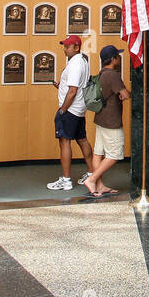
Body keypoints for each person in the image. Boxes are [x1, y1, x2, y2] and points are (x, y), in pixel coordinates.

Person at [48, 35, 94, 190]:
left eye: (68, 46)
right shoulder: (82, 61)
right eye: (64, 46)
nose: (64, 49)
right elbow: (74, 86)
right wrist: (61, 87)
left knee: (64, 142)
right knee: (82, 139)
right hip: (79, 109)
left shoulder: (75, 65)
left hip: (70, 109)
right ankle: (91, 173)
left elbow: (73, 91)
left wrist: (62, 110)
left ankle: (66, 180)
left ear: (76, 47)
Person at [87, 45, 130, 198]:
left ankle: (99, 186)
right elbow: (125, 94)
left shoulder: (102, 74)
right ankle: (91, 180)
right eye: (117, 56)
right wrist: (126, 93)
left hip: (100, 118)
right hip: (111, 121)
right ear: (112, 59)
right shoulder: (112, 75)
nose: (119, 58)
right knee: (115, 154)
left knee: (98, 153)